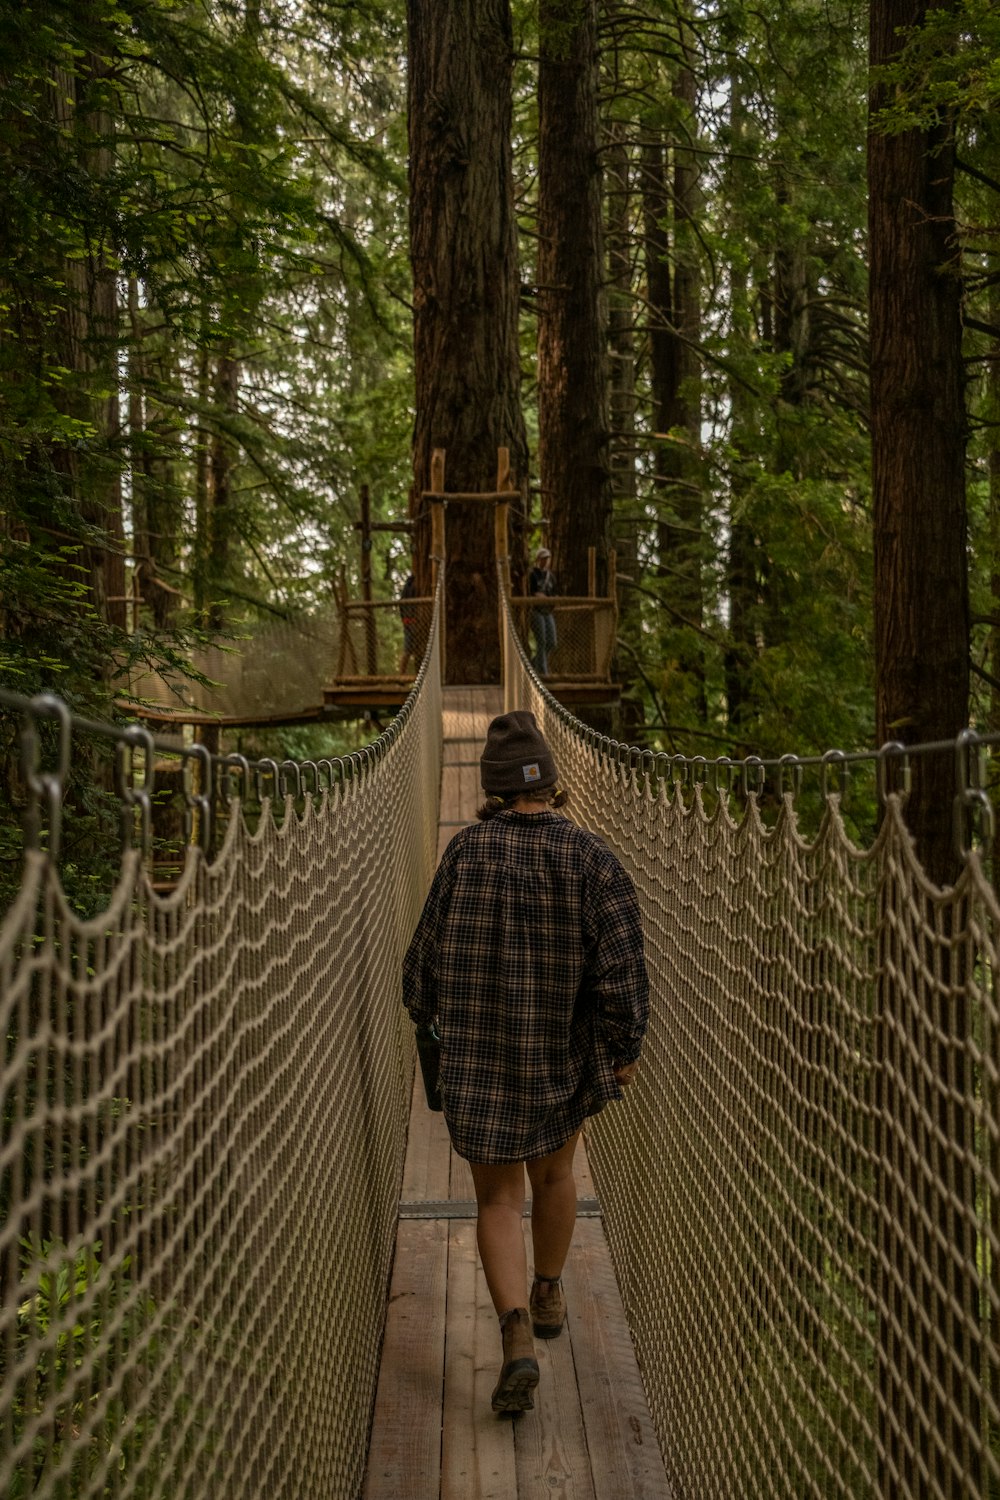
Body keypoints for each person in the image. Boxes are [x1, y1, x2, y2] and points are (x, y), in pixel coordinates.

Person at [402, 711, 649, 1416]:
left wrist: (426, 1013)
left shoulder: (465, 853)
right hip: (558, 1062)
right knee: (555, 1175)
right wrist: (623, 1049)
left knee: (497, 1198)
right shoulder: (593, 860)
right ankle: (547, 1290)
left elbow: (419, 968)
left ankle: (514, 1334)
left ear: (493, 788)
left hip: (480, 1062)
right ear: (552, 784)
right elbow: (623, 972)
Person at [529, 547, 557, 677]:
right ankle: (544, 673)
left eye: (548, 558)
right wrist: (544, 598)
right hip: (537, 610)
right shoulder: (533, 574)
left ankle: (533, 663)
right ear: (538, 560)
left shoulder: (551, 576)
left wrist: (550, 600)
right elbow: (534, 593)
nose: (546, 561)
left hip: (548, 611)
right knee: (541, 641)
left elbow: (554, 594)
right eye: (543, 558)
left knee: (551, 642)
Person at [397, 572, 417, 674]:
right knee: (408, 650)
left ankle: (403, 674)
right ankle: (401, 675)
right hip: (410, 622)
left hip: (410, 622)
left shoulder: (407, 589)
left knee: (410, 650)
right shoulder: (410, 588)